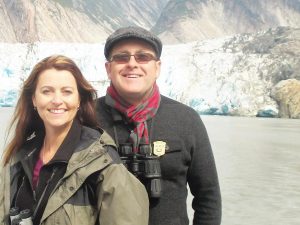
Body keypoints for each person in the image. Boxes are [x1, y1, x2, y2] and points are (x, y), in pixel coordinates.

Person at [0, 55, 149, 225]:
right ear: (34, 99)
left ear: (79, 99)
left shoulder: (103, 163)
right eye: (46, 91)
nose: (57, 100)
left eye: (67, 92)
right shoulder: (18, 157)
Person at [95, 26, 222, 225]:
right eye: (121, 57)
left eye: (143, 57)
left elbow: (208, 197)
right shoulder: (87, 118)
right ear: (108, 68)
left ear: (157, 67)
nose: (132, 64)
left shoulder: (186, 119)